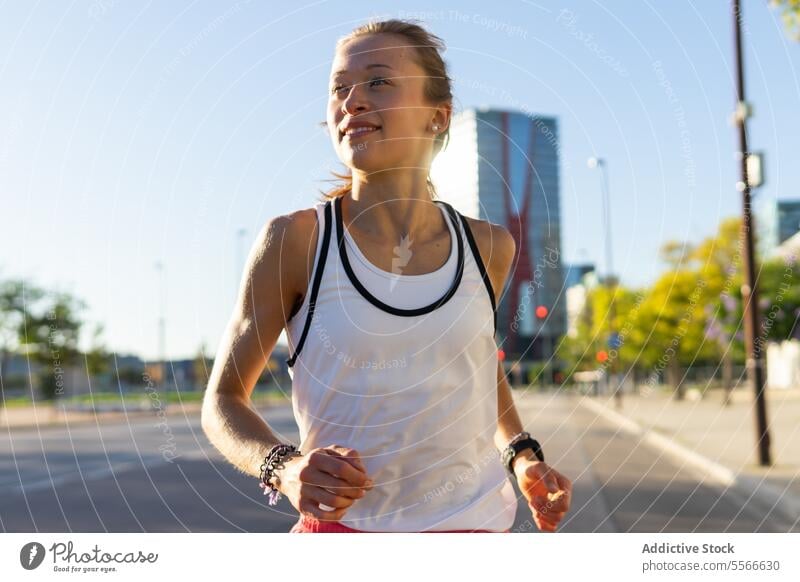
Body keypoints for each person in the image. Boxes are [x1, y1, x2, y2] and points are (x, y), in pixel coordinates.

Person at [201, 18, 572, 533]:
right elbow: (221, 401)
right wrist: (284, 469)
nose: (351, 101)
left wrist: (521, 454)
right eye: (339, 88)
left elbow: (474, 362)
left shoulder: (489, 246)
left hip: (481, 531)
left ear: (437, 117)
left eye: (378, 82)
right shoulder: (295, 242)